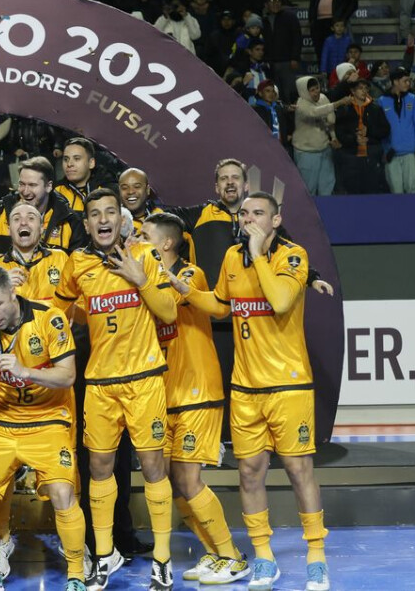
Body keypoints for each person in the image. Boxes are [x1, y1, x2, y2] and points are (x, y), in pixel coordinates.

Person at [168, 192, 331, 591]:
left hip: (289, 386)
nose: (249, 219)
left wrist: (258, 253)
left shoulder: (292, 257)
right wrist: (186, 291)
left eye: (259, 213)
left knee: (298, 470)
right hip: (245, 387)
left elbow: (279, 301)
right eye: (244, 213)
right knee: (249, 472)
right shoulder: (229, 258)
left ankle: (316, 555)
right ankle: (263, 556)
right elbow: (222, 305)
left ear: (276, 220)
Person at [52, 187, 178, 591]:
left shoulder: (144, 255)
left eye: (111, 212)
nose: (103, 220)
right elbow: (59, 308)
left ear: (122, 221)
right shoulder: (78, 262)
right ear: (86, 223)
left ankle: (162, 560)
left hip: (144, 380)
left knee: (154, 466)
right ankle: (106, 555)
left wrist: (141, 280)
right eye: (95, 214)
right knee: (100, 469)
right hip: (101, 384)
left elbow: (169, 311)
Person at [0, 264, 86, 591]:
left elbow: (68, 376)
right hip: (3, 419)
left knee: (62, 493)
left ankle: (77, 576)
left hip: (49, 417)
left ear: (13, 293)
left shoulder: (48, 318)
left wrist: (27, 371)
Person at [137, 213, 248, 584]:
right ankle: (214, 552)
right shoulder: (148, 278)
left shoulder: (189, 275)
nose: (138, 239)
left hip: (196, 389)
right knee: (172, 479)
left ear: (165, 244)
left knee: (187, 478)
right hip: (163, 391)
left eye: (144, 234)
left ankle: (232, 555)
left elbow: (168, 302)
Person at [0, 156, 87, 253]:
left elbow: (78, 265)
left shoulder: (70, 220)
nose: (25, 192)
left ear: (48, 186)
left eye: (32, 185)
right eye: (22, 184)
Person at [292, 77, 348, 196]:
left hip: (324, 149)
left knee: (327, 186)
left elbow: (330, 118)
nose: (316, 91)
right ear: (304, 92)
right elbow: (315, 112)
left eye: (317, 88)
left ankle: (327, 212)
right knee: (308, 189)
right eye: (312, 90)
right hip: (307, 153)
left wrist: (333, 137)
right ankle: (308, 214)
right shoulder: (301, 104)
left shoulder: (323, 98)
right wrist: (339, 103)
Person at [334, 79, 389, 194]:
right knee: (353, 193)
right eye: (360, 88)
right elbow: (340, 133)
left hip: (372, 157)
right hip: (351, 158)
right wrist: (355, 139)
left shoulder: (375, 109)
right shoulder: (344, 110)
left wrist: (369, 131)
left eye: (366, 88)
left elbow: (385, 130)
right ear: (352, 91)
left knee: (372, 191)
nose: (364, 91)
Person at [379, 67, 415, 193]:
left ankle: (413, 213)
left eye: (409, 81)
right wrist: (386, 149)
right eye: (405, 81)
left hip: (411, 152)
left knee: (412, 189)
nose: (408, 84)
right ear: (395, 82)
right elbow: (381, 129)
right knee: (396, 191)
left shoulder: (413, 99)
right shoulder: (382, 101)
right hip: (391, 153)